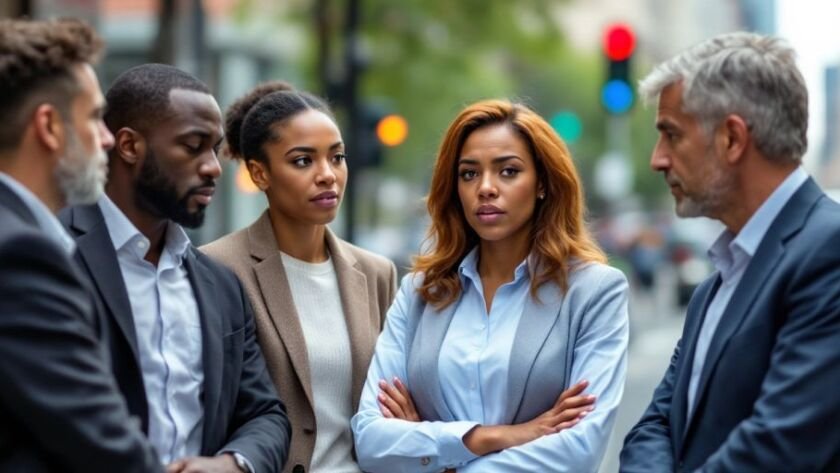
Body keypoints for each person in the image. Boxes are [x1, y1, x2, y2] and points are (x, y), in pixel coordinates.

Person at [352, 99, 629, 472]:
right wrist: (491, 436)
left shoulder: (595, 292)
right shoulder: (420, 292)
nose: (485, 188)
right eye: (468, 174)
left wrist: (436, 455)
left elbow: (580, 450)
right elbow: (371, 441)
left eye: (508, 171)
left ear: (543, 183)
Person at [619, 32, 840, 472]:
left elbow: (779, 450)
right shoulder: (713, 286)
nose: (657, 159)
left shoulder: (829, 254)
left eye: (671, 135)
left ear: (733, 139)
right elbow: (654, 425)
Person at [59, 64, 291, 473]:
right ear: (130, 146)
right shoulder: (52, 254)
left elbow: (265, 414)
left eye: (216, 148)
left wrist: (233, 465)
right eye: (192, 146)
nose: (214, 167)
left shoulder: (221, 285)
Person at [201, 84, 398, 473]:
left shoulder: (376, 273)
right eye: (303, 161)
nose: (327, 175)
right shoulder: (217, 268)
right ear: (260, 173)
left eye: (337, 157)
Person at [0, 18, 162, 472]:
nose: (108, 139)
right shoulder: (21, 258)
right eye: (94, 117)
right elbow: (106, 448)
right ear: (49, 126)